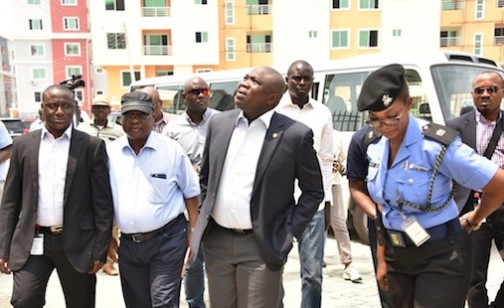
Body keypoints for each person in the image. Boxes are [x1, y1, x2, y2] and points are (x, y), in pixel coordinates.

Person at [358, 63, 504, 308]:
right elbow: (386, 209)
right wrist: (382, 259)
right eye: (376, 120)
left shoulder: (437, 146)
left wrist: (474, 218)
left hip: (440, 256)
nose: (385, 127)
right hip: (397, 256)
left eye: (393, 116)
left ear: (408, 102)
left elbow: (498, 185)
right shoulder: (375, 147)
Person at [189, 66, 324, 307]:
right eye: (245, 78)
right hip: (217, 242)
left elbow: (313, 191)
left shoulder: (294, 134)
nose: (244, 84)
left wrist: (288, 231)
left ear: (272, 97)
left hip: (261, 246)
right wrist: (202, 219)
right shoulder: (219, 123)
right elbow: (206, 179)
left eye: (254, 82)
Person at [0, 84, 114, 307]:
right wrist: (3, 248)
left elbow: (102, 203)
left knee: (80, 303)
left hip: (77, 242)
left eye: (65, 106)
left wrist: (100, 251)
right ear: (43, 109)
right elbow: (10, 202)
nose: (59, 111)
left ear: (74, 109)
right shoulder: (23, 145)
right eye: (53, 106)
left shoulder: (91, 146)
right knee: (24, 300)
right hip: (32, 241)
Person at [107, 91, 200, 307]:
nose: (135, 121)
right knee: (137, 303)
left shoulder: (171, 150)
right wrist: (107, 237)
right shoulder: (110, 153)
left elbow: (191, 193)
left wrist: (193, 233)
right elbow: (105, 201)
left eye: (142, 115)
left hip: (167, 241)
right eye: (129, 115)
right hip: (129, 244)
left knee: (163, 302)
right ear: (121, 118)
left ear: (153, 116)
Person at [275, 60, 333, 307]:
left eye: (306, 78)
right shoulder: (274, 112)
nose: (300, 83)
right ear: (287, 80)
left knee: (313, 275)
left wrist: (327, 201)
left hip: (313, 205)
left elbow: (326, 159)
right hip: (278, 204)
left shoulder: (323, 113)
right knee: (273, 269)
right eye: (296, 78)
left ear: (312, 81)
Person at [446, 71, 504, 308]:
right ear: (472, 95)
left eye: (492, 89)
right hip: (473, 210)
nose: (485, 94)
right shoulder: (455, 126)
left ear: (501, 92)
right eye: (479, 90)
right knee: (474, 278)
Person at [163, 76, 219, 308]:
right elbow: (165, 166)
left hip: (218, 201)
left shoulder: (220, 121)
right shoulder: (173, 129)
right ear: (184, 96)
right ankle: (196, 304)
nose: (200, 96)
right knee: (194, 260)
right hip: (189, 204)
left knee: (219, 259)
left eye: (204, 91)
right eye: (194, 92)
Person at [346, 124, 393, 308]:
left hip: (419, 224)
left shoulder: (421, 136)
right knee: (387, 287)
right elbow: (356, 187)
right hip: (381, 225)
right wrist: (379, 217)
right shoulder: (363, 140)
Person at [78, 94, 123, 276]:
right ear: (92, 109)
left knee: (110, 221)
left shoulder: (118, 131)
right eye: (96, 107)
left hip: (110, 179)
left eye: (103, 108)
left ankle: (109, 261)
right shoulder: (82, 129)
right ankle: (90, 256)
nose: (100, 111)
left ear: (109, 110)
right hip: (87, 180)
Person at [327, 129, 362, 282]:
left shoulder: (336, 136)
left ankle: (348, 264)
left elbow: (346, 160)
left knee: (339, 223)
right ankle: (313, 259)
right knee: (315, 223)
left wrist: (339, 167)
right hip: (313, 184)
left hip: (333, 182)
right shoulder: (309, 131)